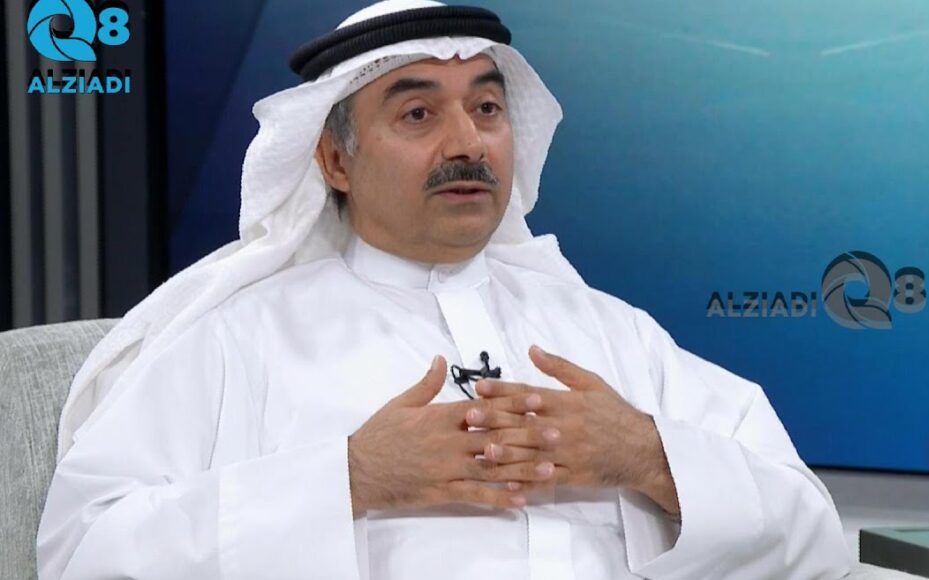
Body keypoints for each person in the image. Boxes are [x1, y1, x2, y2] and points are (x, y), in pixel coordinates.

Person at [36, 1, 852, 578]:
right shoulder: (237, 340)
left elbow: (815, 535)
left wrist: (647, 456)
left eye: (487, 108)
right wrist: (350, 478)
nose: (468, 143)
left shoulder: (610, 334)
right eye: (418, 115)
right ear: (336, 160)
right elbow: (83, 553)